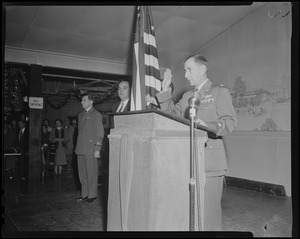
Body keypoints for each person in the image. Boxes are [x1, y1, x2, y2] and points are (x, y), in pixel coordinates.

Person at [156, 54, 238, 231]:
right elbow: (171, 114)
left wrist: (207, 126)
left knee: (209, 214)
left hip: (210, 161)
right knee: (189, 210)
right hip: (188, 160)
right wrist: (164, 92)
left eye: (189, 69)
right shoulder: (187, 96)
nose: (185, 75)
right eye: (185, 70)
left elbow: (230, 122)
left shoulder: (218, 92)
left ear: (202, 69)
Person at [75, 93, 104, 203]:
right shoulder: (80, 115)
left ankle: (92, 195)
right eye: (82, 100)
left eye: (84, 100)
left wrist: (97, 148)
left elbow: (99, 132)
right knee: (82, 173)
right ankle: (84, 194)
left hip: (90, 148)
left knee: (91, 173)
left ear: (91, 102)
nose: (81, 102)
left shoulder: (96, 114)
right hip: (81, 148)